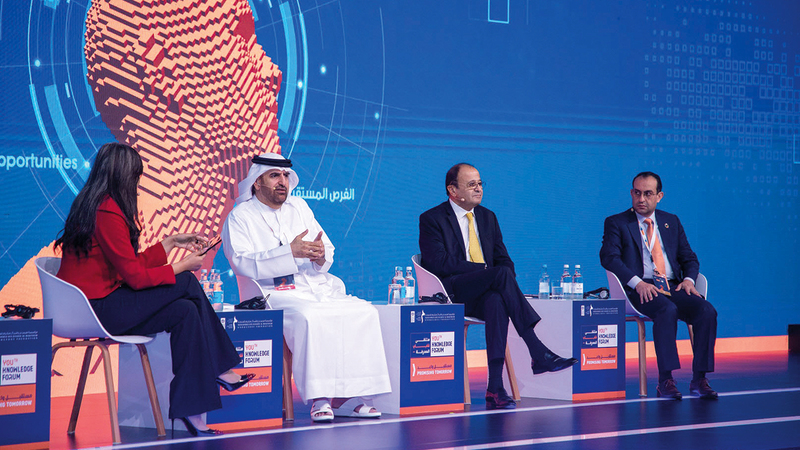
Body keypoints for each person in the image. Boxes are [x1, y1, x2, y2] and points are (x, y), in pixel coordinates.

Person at [55, 142, 254, 437]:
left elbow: (129, 265)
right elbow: (135, 278)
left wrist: (170, 243)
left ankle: (192, 410)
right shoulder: (107, 211)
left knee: (185, 311)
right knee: (186, 282)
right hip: (97, 310)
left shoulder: (97, 204)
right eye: (135, 177)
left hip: (104, 303)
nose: (137, 185)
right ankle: (222, 368)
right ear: (123, 176)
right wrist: (183, 266)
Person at [222, 153, 391, 422]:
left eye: (286, 176)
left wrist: (319, 254)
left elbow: (326, 247)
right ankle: (320, 398)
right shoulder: (240, 216)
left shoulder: (299, 207)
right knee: (310, 317)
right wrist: (288, 253)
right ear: (257, 182)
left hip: (314, 286)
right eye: (274, 176)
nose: (283, 182)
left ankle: (350, 397)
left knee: (364, 312)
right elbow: (241, 261)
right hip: (272, 293)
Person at [418, 163, 577, 410]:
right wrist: (484, 271)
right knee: (500, 276)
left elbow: (504, 259)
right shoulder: (432, 218)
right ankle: (537, 350)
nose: (479, 189)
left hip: (486, 292)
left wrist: (499, 277)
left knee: (497, 299)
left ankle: (495, 387)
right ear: (453, 190)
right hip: (454, 291)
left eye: (480, 183)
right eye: (472, 184)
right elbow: (437, 262)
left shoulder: (487, 217)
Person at [600, 171, 718, 400]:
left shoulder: (671, 221)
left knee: (706, 310)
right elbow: (609, 258)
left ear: (659, 196)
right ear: (631, 193)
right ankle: (666, 380)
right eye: (636, 193)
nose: (641, 199)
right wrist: (637, 283)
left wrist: (688, 280)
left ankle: (699, 378)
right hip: (638, 289)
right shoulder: (617, 222)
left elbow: (689, 258)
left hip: (672, 286)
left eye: (647, 194)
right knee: (667, 309)